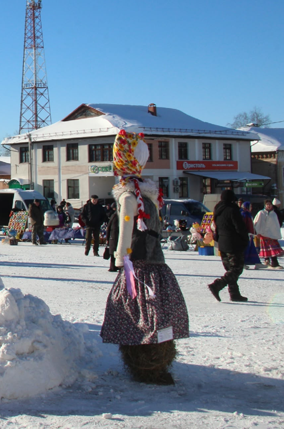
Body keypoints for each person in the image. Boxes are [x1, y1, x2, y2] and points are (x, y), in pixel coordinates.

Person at [101, 131, 189, 385]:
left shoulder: (129, 197)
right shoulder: (150, 196)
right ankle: (157, 360)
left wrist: (120, 258)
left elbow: (126, 231)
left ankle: (145, 363)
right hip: (157, 265)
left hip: (137, 267)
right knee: (157, 312)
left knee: (138, 313)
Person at [209, 189, 250, 302]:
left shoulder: (218, 209)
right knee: (236, 269)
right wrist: (245, 240)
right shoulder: (233, 210)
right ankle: (217, 285)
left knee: (230, 270)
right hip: (233, 243)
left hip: (222, 243)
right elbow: (239, 227)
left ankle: (234, 293)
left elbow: (216, 226)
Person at [253, 199, 283, 269]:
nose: (269, 206)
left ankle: (274, 262)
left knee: (273, 249)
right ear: (265, 205)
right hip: (263, 234)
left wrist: (276, 233)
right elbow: (257, 222)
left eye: (270, 204)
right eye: (267, 204)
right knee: (266, 249)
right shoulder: (261, 213)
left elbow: (276, 225)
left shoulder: (274, 214)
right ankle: (267, 261)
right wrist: (257, 232)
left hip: (272, 235)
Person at [239, 201, 263, 270]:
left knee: (252, 249)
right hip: (247, 234)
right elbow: (247, 224)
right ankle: (243, 263)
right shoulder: (245, 214)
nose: (251, 208)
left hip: (249, 234)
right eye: (250, 206)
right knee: (247, 249)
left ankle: (257, 262)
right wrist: (249, 232)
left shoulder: (246, 213)